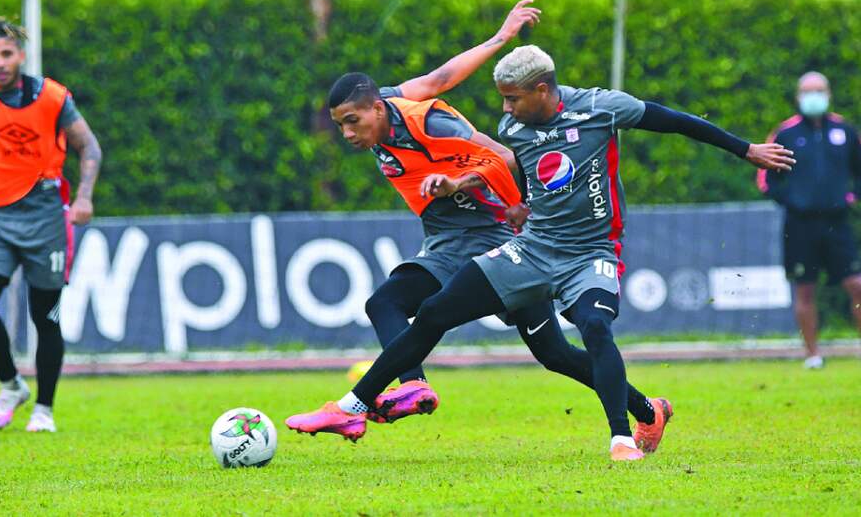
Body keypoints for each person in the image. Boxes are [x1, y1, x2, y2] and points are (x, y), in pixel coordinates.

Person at [287, 45, 794, 461]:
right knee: (470, 324)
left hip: (583, 251)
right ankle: (354, 405)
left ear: (542, 90)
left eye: (512, 98)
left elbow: (676, 121)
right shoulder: (512, 127)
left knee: (590, 331)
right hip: (530, 249)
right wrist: (514, 203)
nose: (504, 111)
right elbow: (511, 161)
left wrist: (746, 149)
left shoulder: (600, 108)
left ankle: (622, 435)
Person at [0, 17, 102, 432]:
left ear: (21, 56)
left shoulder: (52, 97)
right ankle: (11, 384)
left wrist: (83, 195)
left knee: (44, 317)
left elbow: (88, 146)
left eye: (7, 54)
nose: (0, 62)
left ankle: (44, 409)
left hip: (46, 217)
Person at [757, 71, 861, 369]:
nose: (814, 96)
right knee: (805, 288)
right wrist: (792, 200)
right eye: (808, 91)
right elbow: (766, 179)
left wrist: (851, 197)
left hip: (838, 222)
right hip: (800, 224)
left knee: (856, 284)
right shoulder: (786, 133)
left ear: (828, 94)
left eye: (819, 90)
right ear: (799, 96)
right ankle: (812, 354)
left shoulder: (845, 131)